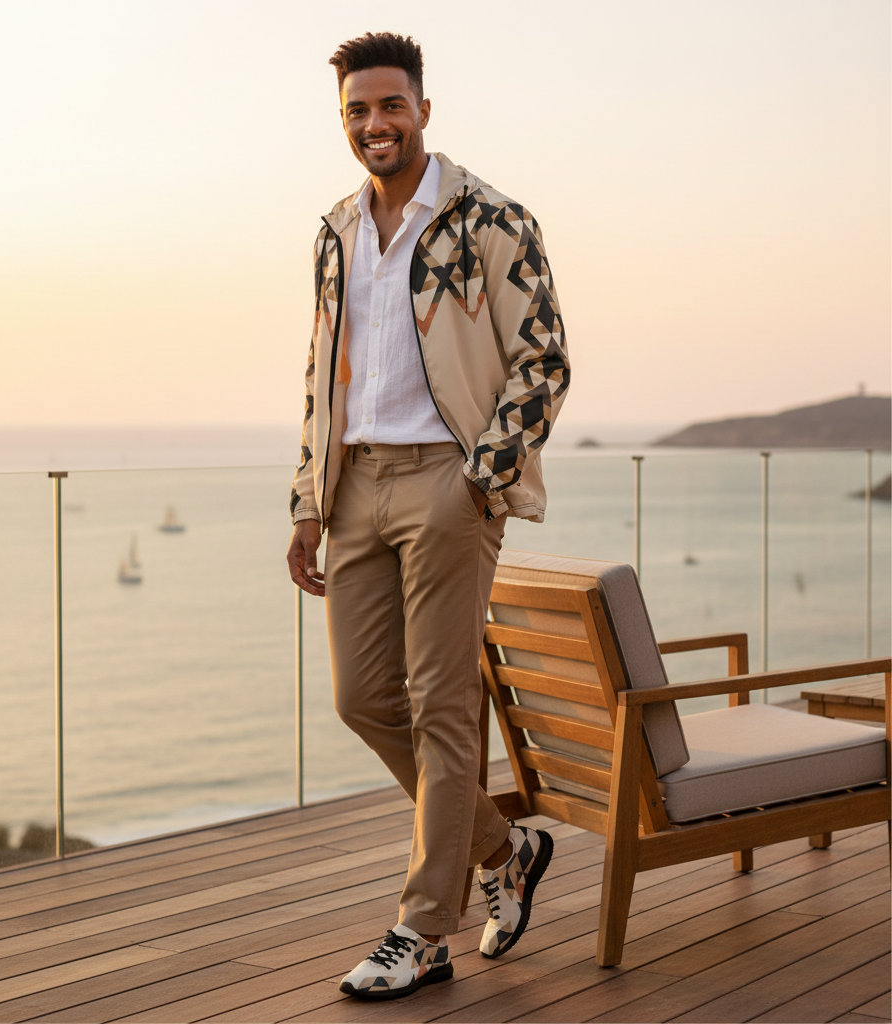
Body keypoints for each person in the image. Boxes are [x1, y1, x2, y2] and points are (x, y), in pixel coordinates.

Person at [286, 31, 570, 1001]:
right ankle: (505, 849)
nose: (374, 125)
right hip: (355, 484)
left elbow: (544, 359)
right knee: (362, 698)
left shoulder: (489, 217)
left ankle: (422, 929)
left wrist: (482, 477)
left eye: (389, 107)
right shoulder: (335, 232)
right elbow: (323, 376)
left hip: (449, 481)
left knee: (444, 709)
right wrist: (307, 503)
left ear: (422, 110)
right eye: (357, 112)